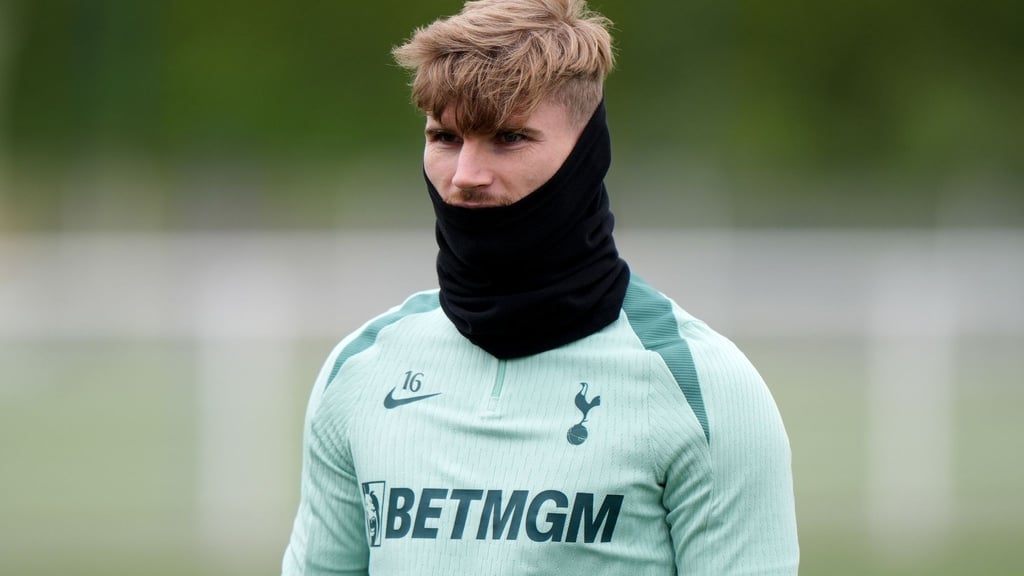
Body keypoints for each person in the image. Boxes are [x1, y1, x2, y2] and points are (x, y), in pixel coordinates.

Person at [281, 0, 799, 574]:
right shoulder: (358, 371)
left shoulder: (702, 389)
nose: (465, 174)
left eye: (508, 138)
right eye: (446, 137)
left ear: (586, 151)